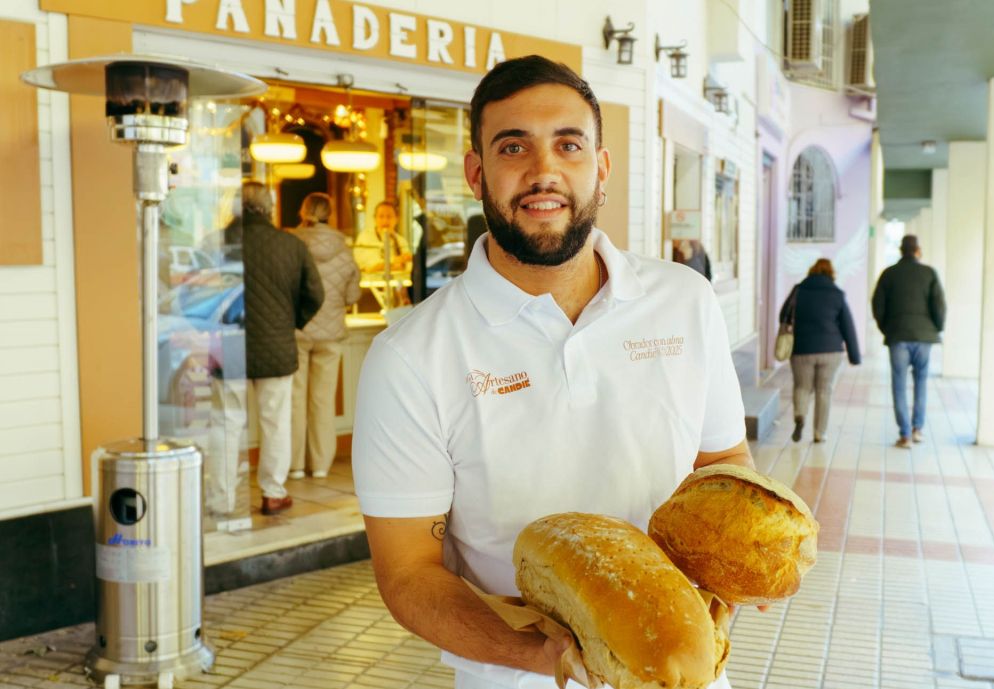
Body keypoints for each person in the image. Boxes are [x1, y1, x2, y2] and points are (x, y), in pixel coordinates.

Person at [352, 55, 752, 689]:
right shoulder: (411, 356)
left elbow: (724, 464)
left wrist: (734, 573)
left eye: (569, 144)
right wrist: (544, 657)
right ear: (477, 172)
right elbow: (408, 575)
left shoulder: (685, 300)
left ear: (601, 167)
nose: (544, 171)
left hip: (683, 670)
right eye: (514, 147)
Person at [208, 181, 324, 517]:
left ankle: (222, 499)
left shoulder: (216, 245)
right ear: (269, 208)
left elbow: (194, 295)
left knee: (226, 422)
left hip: (226, 344)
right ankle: (273, 493)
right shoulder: (290, 244)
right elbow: (315, 294)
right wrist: (289, 323)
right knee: (275, 422)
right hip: (275, 346)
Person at [290, 193, 361, 480]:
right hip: (330, 334)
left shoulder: (291, 245)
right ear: (330, 214)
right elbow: (353, 295)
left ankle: (294, 465)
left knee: (294, 399)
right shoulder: (344, 252)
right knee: (322, 400)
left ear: (304, 211)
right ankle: (320, 464)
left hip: (296, 330)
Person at [871, 234, 946, 449]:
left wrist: (887, 328)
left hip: (898, 336)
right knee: (921, 382)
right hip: (924, 338)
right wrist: (935, 329)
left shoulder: (889, 274)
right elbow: (939, 305)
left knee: (899, 385)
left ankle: (904, 435)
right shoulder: (929, 273)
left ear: (900, 250)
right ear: (917, 250)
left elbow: (877, 304)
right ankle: (917, 429)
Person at [779, 258, 861, 444]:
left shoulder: (799, 290)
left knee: (802, 387)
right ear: (831, 273)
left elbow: (783, 315)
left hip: (802, 349)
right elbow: (848, 326)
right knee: (824, 391)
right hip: (831, 350)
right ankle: (819, 433)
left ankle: (800, 417)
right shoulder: (837, 294)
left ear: (811, 271)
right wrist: (854, 356)